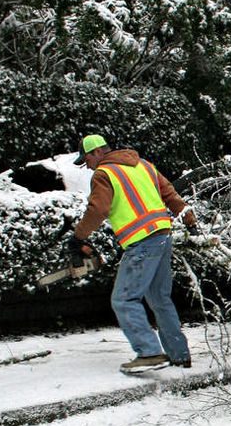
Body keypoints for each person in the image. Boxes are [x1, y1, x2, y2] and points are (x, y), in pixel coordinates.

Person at [69, 134, 197, 373]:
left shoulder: (104, 174)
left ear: (97, 152)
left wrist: (78, 238)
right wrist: (189, 219)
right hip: (162, 236)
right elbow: (170, 194)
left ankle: (149, 353)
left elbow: (98, 209)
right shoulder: (143, 165)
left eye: (86, 160)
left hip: (142, 242)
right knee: (160, 299)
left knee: (124, 299)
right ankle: (179, 355)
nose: (87, 166)